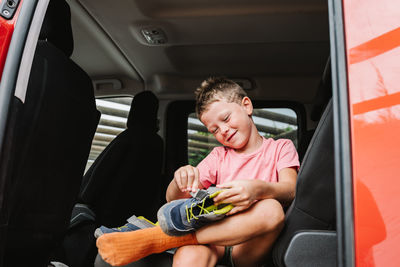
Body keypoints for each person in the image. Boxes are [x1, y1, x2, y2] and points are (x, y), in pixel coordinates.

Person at [96, 77, 299, 267]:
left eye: (226, 119)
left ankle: (161, 239)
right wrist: (179, 180)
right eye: (214, 130)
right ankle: (168, 239)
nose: (223, 130)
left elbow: (290, 189)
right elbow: (173, 199)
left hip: (249, 246)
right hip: (214, 238)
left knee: (271, 209)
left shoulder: (280, 147)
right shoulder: (219, 156)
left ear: (246, 106)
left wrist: (257, 189)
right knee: (189, 254)